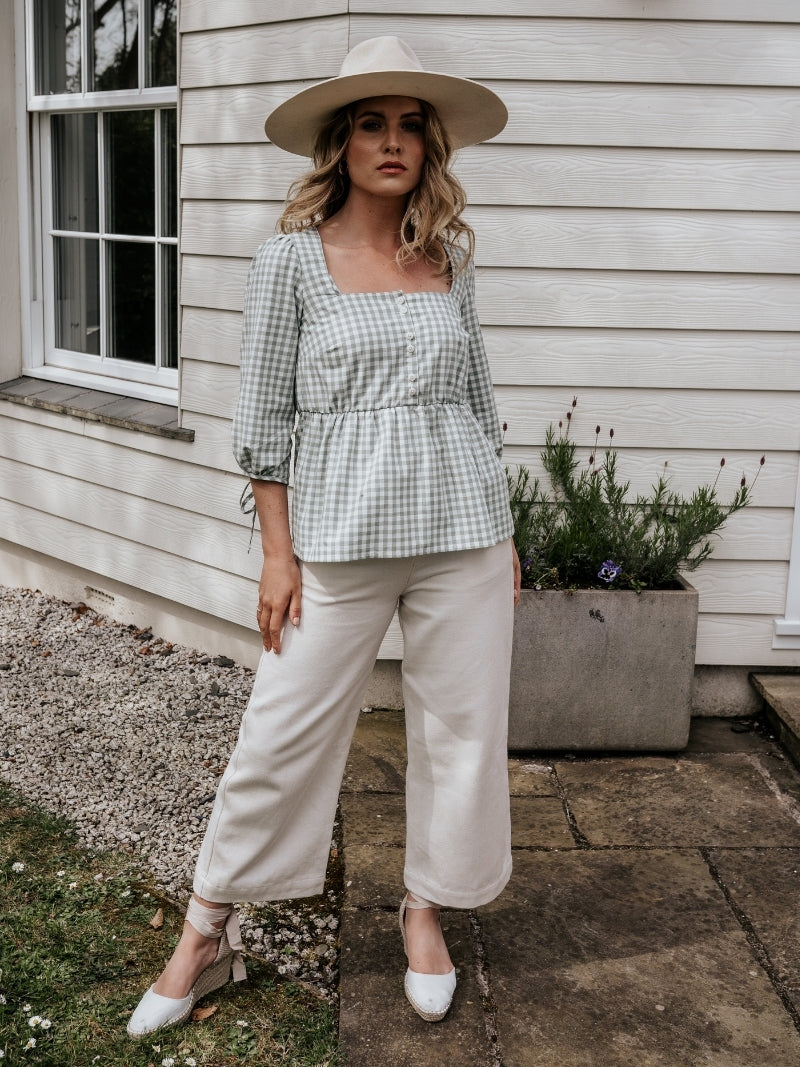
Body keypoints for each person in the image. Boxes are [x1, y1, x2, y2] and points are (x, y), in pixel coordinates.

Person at [128, 35, 521, 1038]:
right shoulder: (290, 262)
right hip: (338, 541)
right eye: (369, 124)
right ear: (339, 145)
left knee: (462, 732)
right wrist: (276, 551)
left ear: (428, 147)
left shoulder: (449, 258)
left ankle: (424, 907)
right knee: (281, 730)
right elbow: (263, 420)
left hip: (465, 534)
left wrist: (507, 532)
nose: (390, 141)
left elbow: (477, 400)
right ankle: (206, 930)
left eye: (408, 126)